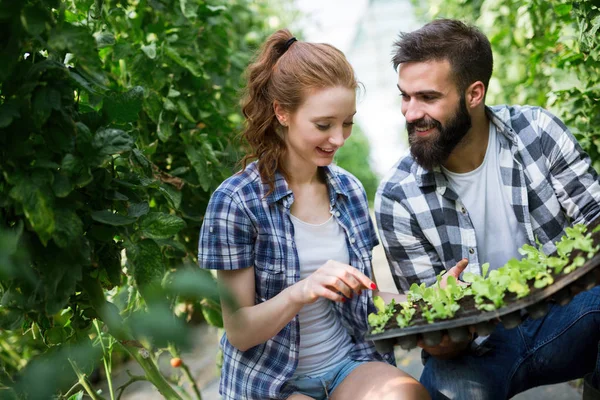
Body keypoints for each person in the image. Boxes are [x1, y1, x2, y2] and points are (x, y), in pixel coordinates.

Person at [374, 18, 600, 400]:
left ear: (474, 94)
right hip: (479, 353)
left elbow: (595, 223)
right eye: (405, 96)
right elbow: (437, 345)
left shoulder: (537, 133)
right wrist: (446, 316)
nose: (410, 113)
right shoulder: (397, 197)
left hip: (567, 316)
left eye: (427, 97)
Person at [198, 29, 429, 400]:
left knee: (406, 395)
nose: (338, 138)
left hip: (346, 364)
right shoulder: (236, 203)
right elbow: (239, 330)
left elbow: (364, 297)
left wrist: (433, 301)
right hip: (271, 382)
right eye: (324, 125)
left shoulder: (349, 190)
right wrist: (302, 291)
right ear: (282, 113)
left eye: (347, 123)